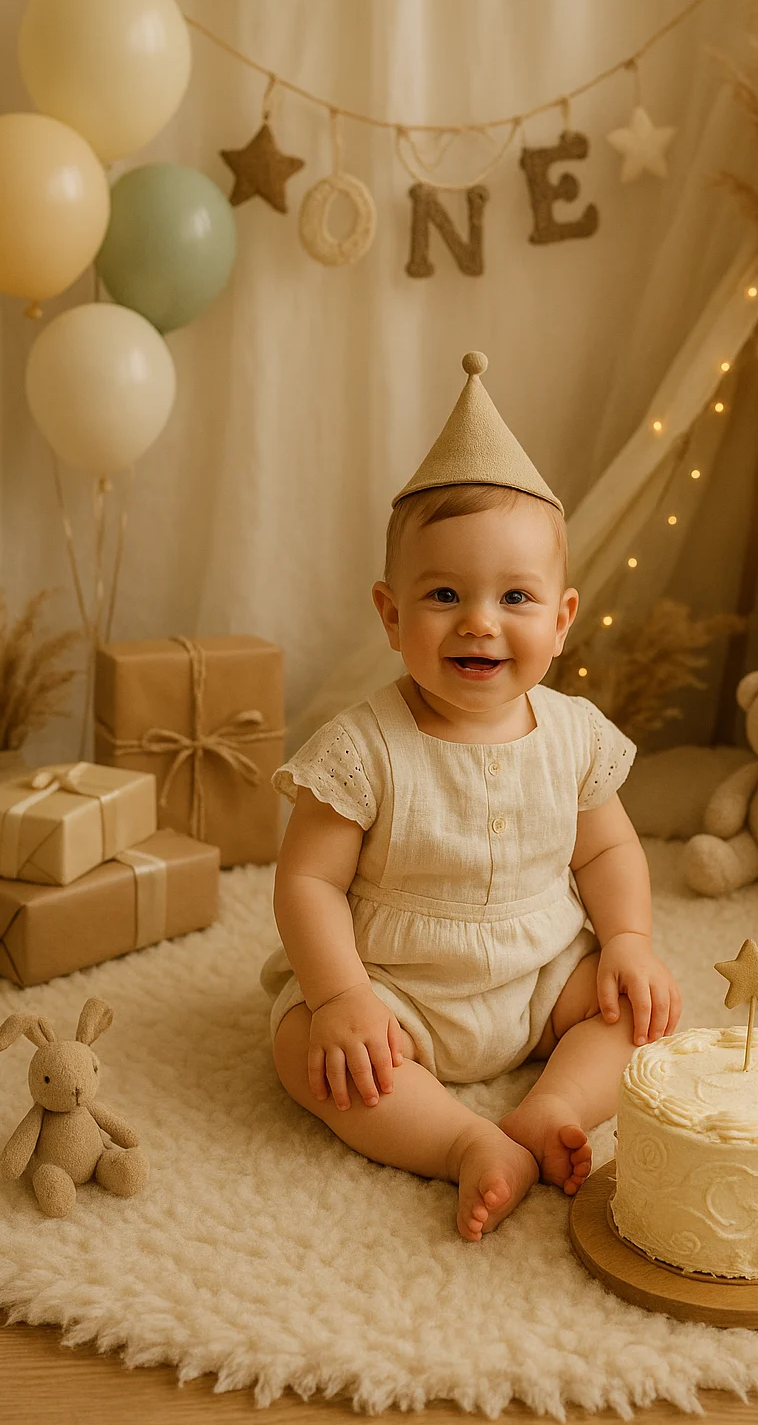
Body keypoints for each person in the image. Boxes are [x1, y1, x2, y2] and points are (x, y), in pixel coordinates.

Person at [262, 352, 681, 1241]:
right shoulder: (363, 747)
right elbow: (306, 883)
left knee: (640, 1016)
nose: (480, 621)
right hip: (396, 992)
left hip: (539, 975)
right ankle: (462, 1144)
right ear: (389, 615)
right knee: (308, 1055)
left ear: (561, 621)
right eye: (444, 594)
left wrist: (629, 942)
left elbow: (607, 850)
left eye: (514, 596)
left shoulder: (571, 734)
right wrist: (341, 998)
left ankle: (547, 1106)